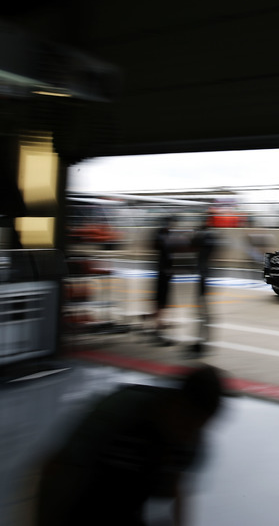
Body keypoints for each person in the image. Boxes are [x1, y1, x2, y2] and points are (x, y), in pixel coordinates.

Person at [35, 365, 226, 526]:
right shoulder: (120, 411)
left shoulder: (190, 443)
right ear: (177, 404)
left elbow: (176, 487)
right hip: (79, 504)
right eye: (187, 424)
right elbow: (56, 468)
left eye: (199, 427)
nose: (189, 436)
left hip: (125, 509)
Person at [189, 222, 218, 357]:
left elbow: (191, 243)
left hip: (203, 275)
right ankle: (202, 341)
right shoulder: (211, 239)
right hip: (206, 274)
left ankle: (202, 343)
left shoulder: (203, 238)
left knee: (202, 310)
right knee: (203, 309)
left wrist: (196, 234)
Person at [152, 216, 177, 344]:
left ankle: (161, 321)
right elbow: (164, 252)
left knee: (164, 299)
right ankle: (158, 323)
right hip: (163, 272)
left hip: (166, 272)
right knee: (161, 299)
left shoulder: (165, 237)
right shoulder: (161, 237)